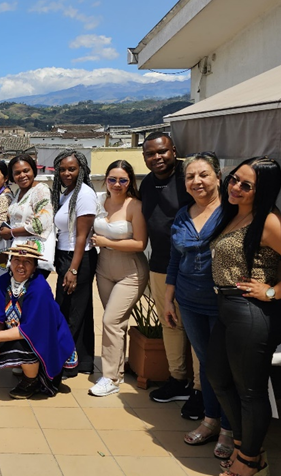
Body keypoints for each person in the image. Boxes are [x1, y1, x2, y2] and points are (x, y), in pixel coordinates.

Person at [207, 157, 281, 476]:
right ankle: (245, 448)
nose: (235, 187)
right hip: (228, 309)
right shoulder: (235, 214)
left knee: (250, 391)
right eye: (234, 179)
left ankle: (249, 462)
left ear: (262, 190)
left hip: (251, 312)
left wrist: (272, 292)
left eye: (246, 185)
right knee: (218, 379)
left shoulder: (268, 221)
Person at [162, 153, 230, 457]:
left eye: (203, 174)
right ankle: (210, 420)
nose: (196, 181)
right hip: (189, 300)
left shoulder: (233, 212)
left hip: (225, 303)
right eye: (190, 177)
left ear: (218, 176)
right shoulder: (183, 214)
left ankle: (230, 428)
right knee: (206, 364)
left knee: (224, 366)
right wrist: (168, 298)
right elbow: (176, 258)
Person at [140, 133, 201, 417]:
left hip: (194, 267)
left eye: (162, 152)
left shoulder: (189, 179)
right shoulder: (148, 184)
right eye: (150, 154)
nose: (157, 158)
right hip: (161, 264)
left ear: (174, 150)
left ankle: (201, 390)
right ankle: (178, 380)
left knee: (197, 327)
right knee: (170, 324)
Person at [0, 244, 76, 399]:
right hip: (19, 333)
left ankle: (32, 380)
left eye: (27, 262)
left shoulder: (39, 287)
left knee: (23, 342)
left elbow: (31, 330)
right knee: (1, 339)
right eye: (17, 260)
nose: (21, 265)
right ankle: (26, 368)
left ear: (35, 267)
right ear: (10, 262)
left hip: (48, 342)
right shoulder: (2, 282)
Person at [88, 160, 148, 397]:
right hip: (104, 268)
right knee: (117, 323)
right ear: (106, 179)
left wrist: (107, 242)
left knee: (110, 321)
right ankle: (117, 371)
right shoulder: (100, 202)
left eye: (123, 180)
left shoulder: (136, 206)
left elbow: (141, 243)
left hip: (130, 271)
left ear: (130, 182)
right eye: (112, 179)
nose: (117, 184)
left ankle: (110, 377)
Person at [51, 149, 97, 376]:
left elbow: (82, 236)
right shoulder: (68, 193)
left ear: (82, 170)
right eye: (62, 169)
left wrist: (74, 269)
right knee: (77, 310)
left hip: (78, 258)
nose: (66, 173)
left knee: (71, 313)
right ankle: (83, 360)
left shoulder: (84, 194)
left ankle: (66, 362)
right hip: (66, 256)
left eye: (72, 169)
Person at [0, 154, 54, 277]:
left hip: (33, 253)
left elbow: (41, 223)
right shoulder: (19, 192)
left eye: (26, 171)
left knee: (30, 290)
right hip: (19, 251)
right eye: (17, 173)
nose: (22, 175)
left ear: (33, 170)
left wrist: (11, 232)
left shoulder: (41, 190)